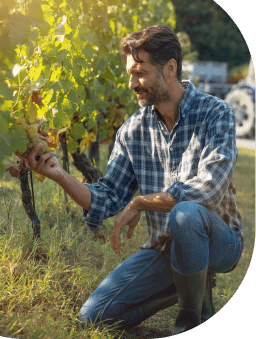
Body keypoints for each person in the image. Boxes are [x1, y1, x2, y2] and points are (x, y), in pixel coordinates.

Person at [15, 25, 244, 335]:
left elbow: (209, 190)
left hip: (220, 241)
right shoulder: (132, 130)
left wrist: (140, 201)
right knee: (93, 317)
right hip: (165, 247)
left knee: (186, 213)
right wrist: (58, 174)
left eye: (140, 73)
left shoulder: (216, 113)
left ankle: (191, 322)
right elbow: (107, 197)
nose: (132, 84)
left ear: (170, 68)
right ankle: (186, 284)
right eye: (129, 74)